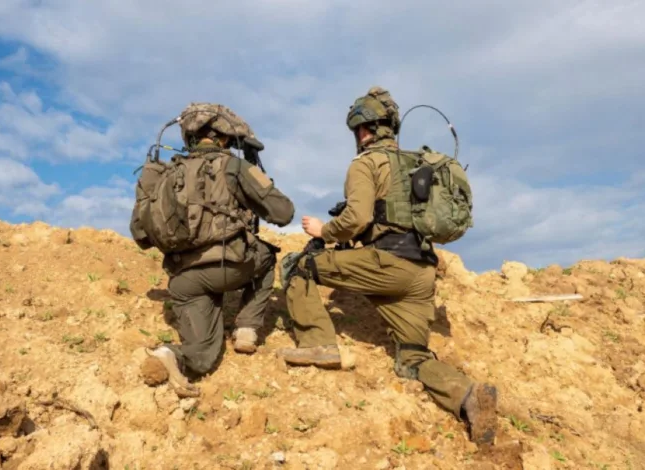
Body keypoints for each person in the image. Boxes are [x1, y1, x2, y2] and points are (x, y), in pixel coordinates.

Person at [276, 87, 498, 446]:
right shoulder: (418, 163)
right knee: (412, 357)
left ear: (363, 130)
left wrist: (324, 230)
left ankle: (318, 344)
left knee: (298, 265)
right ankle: (467, 395)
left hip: (387, 263)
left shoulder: (365, 163)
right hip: (421, 273)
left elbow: (357, 217)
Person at [137, 102, 295, 397]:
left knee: (203, 353)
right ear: (223, 137)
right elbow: (284, 212)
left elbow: (141, 235)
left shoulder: (166, 175)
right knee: (266, 256)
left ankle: (169, 355)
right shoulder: (233, 166)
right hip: (231, 266)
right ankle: (247, 328)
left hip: (184, 282)